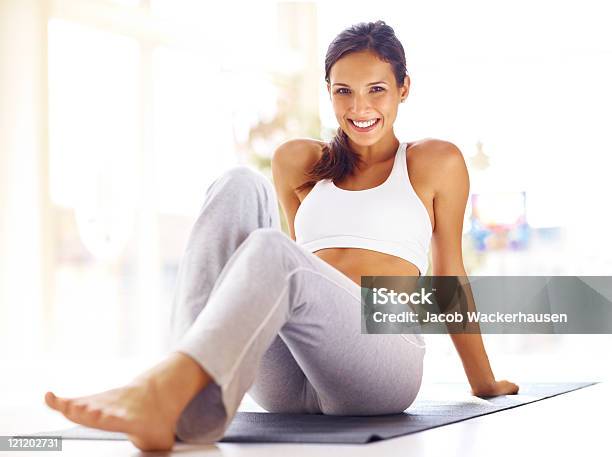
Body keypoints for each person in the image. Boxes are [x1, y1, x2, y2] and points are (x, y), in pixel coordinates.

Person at [44, 20, 519, 451]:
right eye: (343, 91)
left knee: (275, 249)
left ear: (404, 89)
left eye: (377, 89)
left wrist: (483, 381)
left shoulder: (434, 161)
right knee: (236, 184)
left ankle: (164, 386)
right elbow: (293, 276)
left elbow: (448, 275)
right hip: (288, 378)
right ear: (328, 93)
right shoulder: (298, 162)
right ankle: (187, 405)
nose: (360, 107)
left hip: (380, 362)